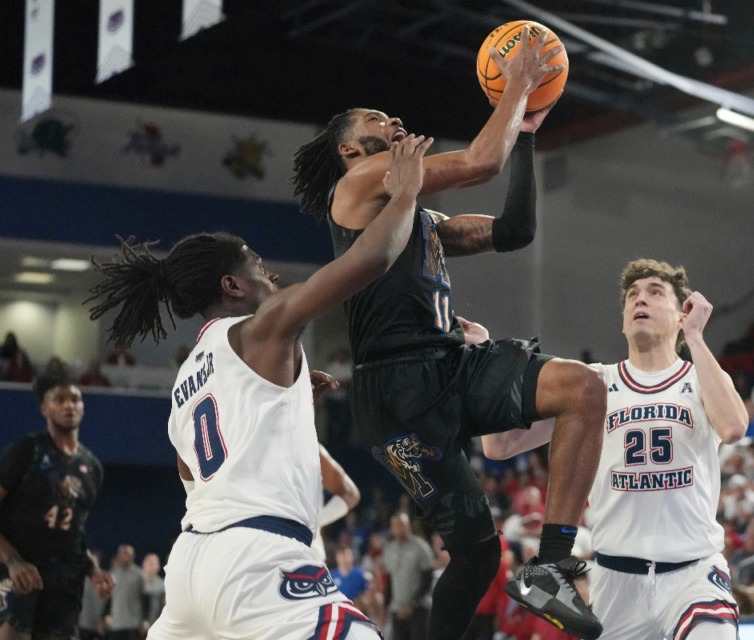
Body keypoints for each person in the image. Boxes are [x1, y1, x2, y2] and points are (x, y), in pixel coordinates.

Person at [291, 26, 604, 640]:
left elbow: (514, 231)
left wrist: (528, 140)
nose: (394, 119)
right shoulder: (353, 188)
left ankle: (552, 567)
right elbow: (477, 161)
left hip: (451, 364)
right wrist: (515, 85)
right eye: (377, 120)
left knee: (585, 389)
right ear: (353, 153)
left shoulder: (423, 217)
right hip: (396, 395)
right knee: (478, 554)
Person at [85, 133, 434, 639]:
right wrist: (405, 193)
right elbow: (369, 262)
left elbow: (200, 473)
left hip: (190, 567)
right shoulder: (263, 325)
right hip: (257, 562)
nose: (266, 268)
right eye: (252, 259)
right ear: (231, 285)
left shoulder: (186, 379)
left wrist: (285, 404)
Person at [483, 258, 748, 640]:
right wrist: (486, 369)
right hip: (615, 580)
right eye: (632, 295)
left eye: (656, 292)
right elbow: (499, 445)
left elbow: (734, 426)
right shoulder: (593, 384)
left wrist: (696, 339)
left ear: (680, 315)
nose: (641, 299)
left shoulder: (699, 375)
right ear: (623, 318)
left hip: (693, 573)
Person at [0, 373, 115, 639]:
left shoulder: (92, 468)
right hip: (17, 573)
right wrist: (13, 561)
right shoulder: (27, 451)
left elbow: (74, 535)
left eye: (75, 399)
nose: (68, 405)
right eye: (59, 399)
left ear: (83, 406)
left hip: (64, 583)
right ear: (44, 408)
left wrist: (93, 570)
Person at [382, 513, 434, 640]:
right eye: (395, 525)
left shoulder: (421, 547)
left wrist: (413, 603)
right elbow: (389, 580)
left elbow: (427, 578)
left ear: (408, 527)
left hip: (418, 608)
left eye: (402, 525)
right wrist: (386, 605)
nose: (399, 528)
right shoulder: (389, 549)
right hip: (397, 608)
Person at [104, 544, 143, 640]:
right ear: (118, 555)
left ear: (133, 556)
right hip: (116, 624)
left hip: (133, 625)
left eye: (128, 553)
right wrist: (105, 615)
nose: (126, 556)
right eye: (123, 553)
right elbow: (108, 598)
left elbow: (144, 598)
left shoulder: (139, 575)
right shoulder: (112, 574)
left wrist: (143, 620)